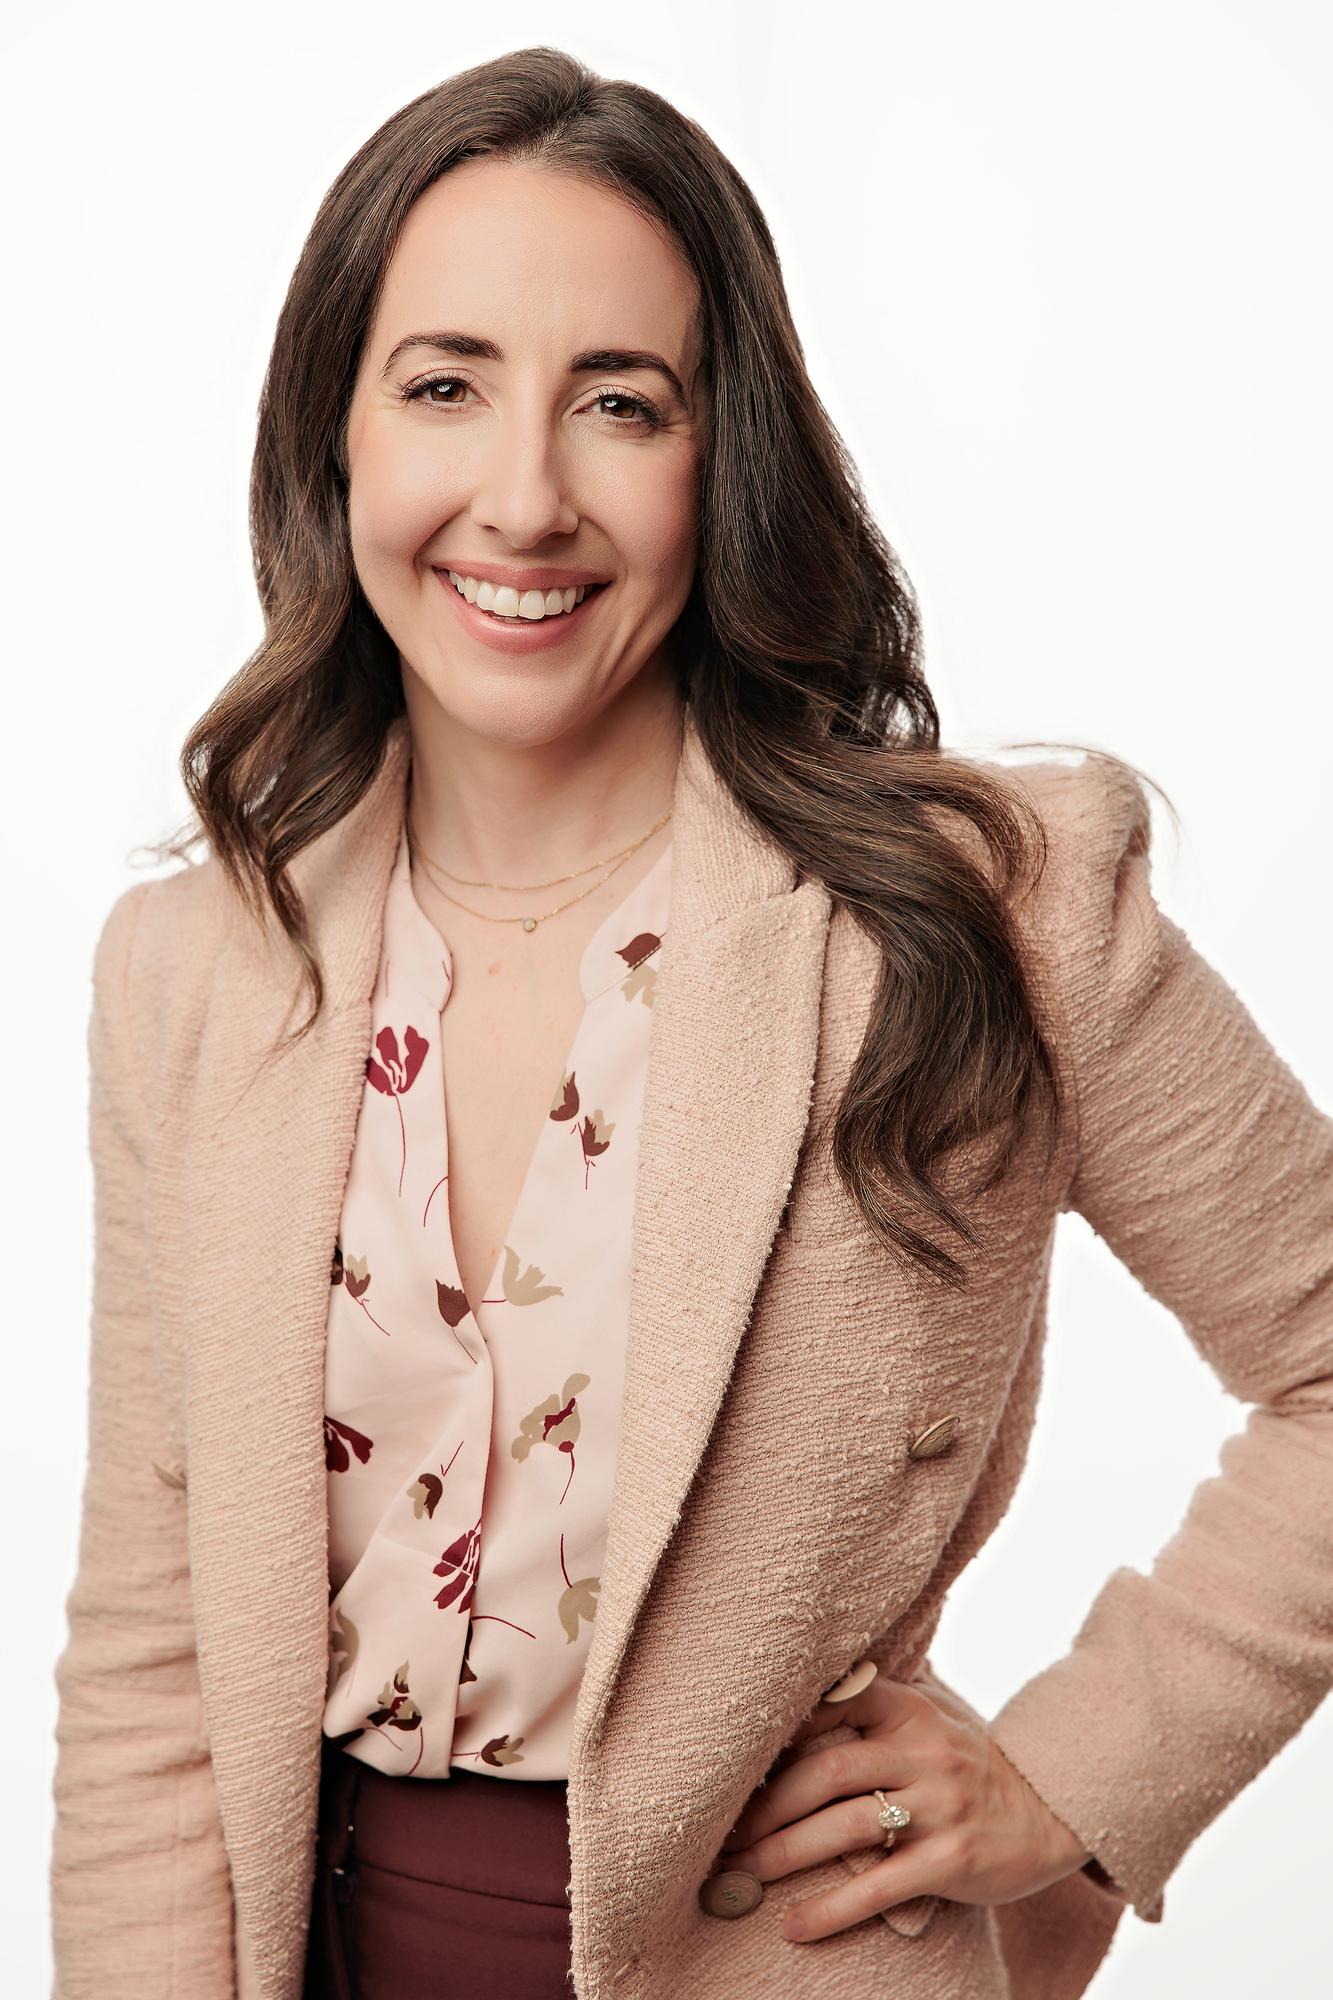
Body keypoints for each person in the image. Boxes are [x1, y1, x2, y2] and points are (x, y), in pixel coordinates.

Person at [49, 43, 1332, 2000]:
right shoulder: (194, 970)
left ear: (717, 455)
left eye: (619, 403)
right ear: (335, 441)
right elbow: (151, 1649)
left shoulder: (977, 912)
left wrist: (1078, 1771)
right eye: (445, 384)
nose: (524, 495)